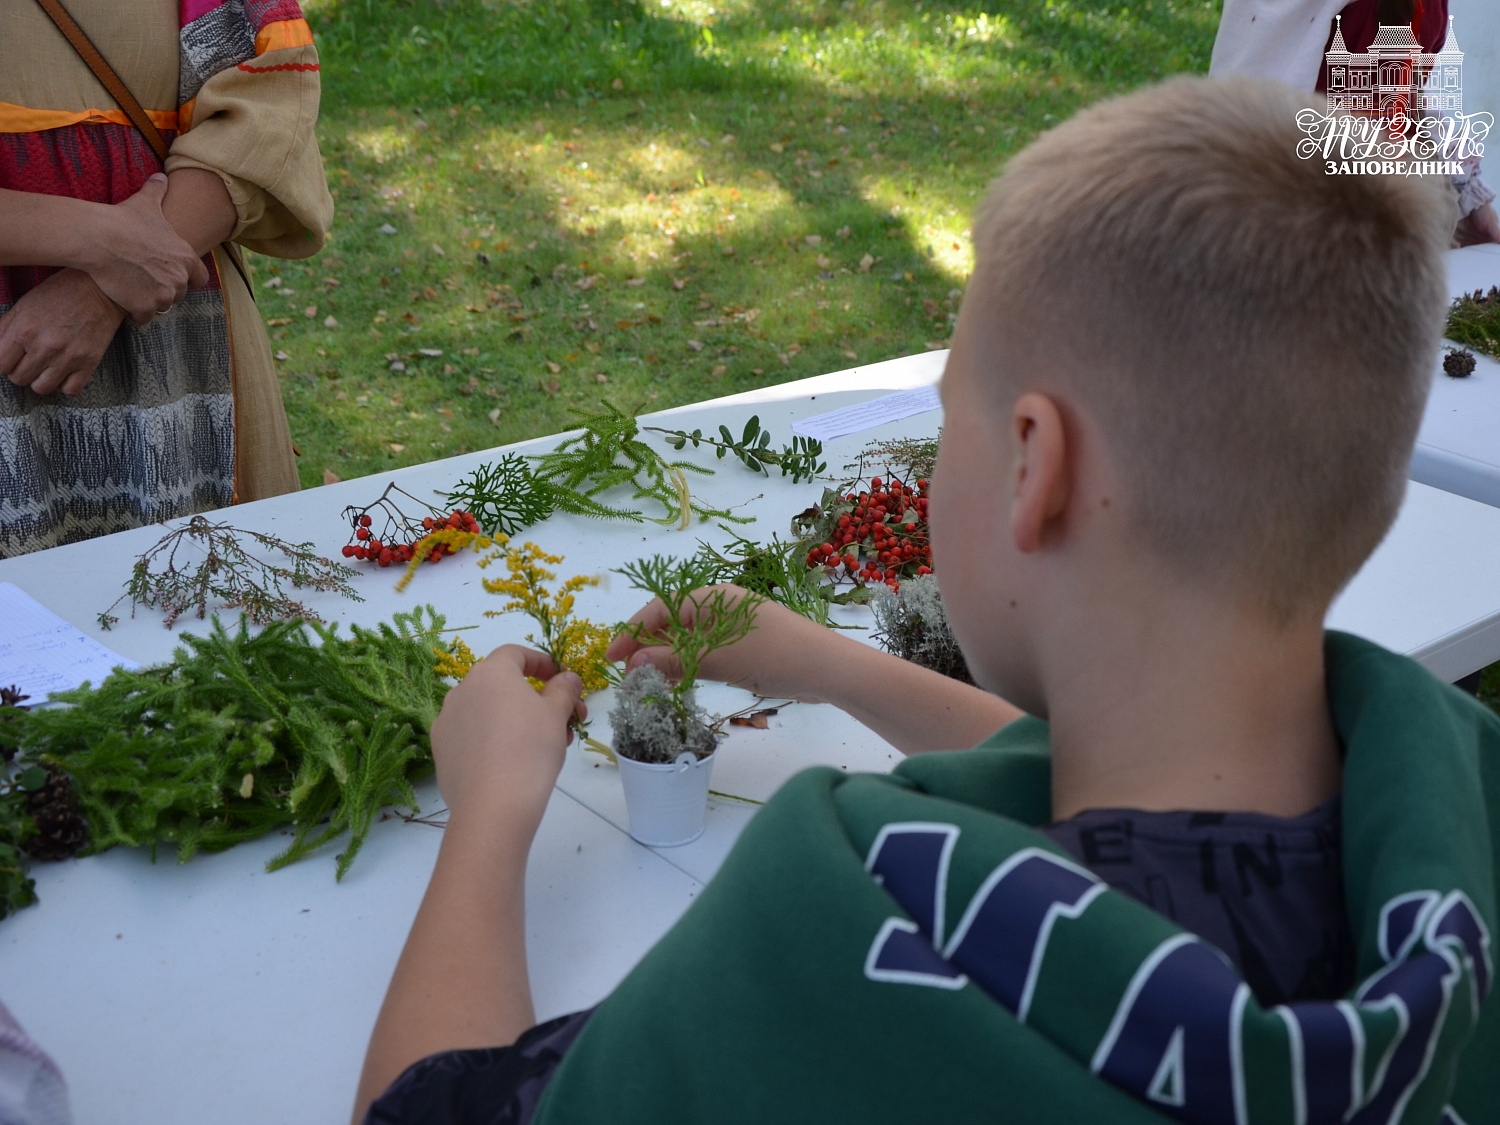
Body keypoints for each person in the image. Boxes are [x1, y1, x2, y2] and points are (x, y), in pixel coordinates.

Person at [354, 77, 1500, 1124]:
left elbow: (424, 1108)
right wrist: (831, 665)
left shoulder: (858, 928)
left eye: (953, 408)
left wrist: (491, 813)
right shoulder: (1448, 789)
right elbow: (1158, 811)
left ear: (1032, 466)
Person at [0, 0, 333, 557]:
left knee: (220, 620)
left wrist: (101, 286)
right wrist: (101, 243)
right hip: (85, 329)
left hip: (181, 342)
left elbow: (269, 106)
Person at [1211, 0, 1499, 245]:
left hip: (1384, 211)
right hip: (1306, 217)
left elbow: (1406, 94)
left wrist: (1466, 196)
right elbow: (1254, 106)